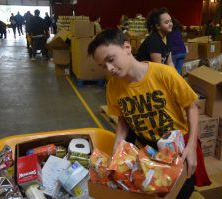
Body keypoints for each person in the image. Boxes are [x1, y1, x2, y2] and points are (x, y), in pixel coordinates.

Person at [87, 29, 211, 199]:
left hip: (177, 146)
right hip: (149, 149)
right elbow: (123, 119)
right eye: (103, 66)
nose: (110, 69)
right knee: (154, 191)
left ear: (127, 47)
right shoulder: (113, 87)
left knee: (181, 190)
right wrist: (118, 146)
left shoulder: (164, 74)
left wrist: (190, 148)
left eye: (111, 59)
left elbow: (192, 107)